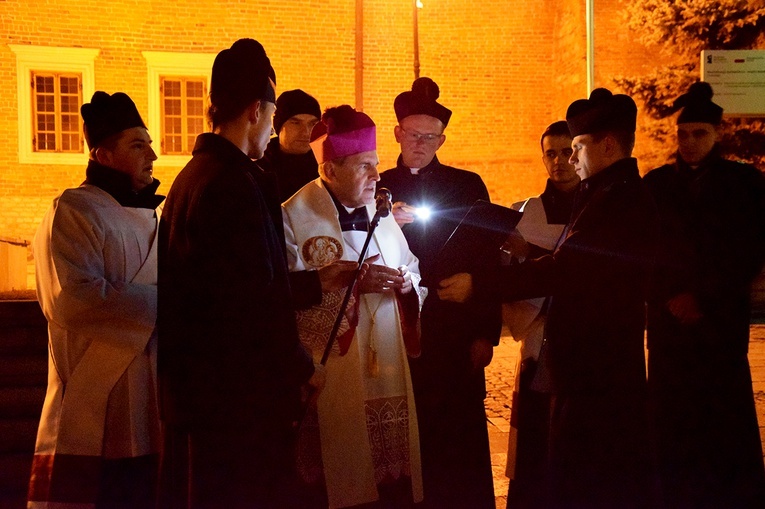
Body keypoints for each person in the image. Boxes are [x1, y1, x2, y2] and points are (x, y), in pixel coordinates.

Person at [439, 88, 660, 508]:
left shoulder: (619, 199)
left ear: (607, 145)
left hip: (598, 371)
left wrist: (479, 284)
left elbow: (567, 268)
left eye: (578, 147)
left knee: (591, 479)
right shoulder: (605, 192)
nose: (572, 159)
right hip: (591, 367)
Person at [157, 39, 323, 509]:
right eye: (273, 117)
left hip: (200, 398)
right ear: (255, 111)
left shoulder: (194, 175)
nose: (272, 131)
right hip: (236, 405)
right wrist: (300, 366)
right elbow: (253, 300)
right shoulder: (233, 184)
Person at [283, 105, 424, 508]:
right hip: (335, 376)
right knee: (339, 478)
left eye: (376, 164)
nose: (377, 176)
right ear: (330, 170)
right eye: (365, 166)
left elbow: (412, 267)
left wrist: (405, 286)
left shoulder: (380, 214)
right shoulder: (292, 217)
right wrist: (353, 287)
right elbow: (288, 303)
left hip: (388, 369)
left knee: (389, 485)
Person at [28, 91, 164, 509]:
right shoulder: (73, 210)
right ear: (103, 155)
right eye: (137, 145)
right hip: (95, 397)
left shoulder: (151, 215)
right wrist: (165, 306)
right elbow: (72, 299)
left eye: (150, 143)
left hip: (148, 394)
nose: (153, 155)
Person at [377, 77, 501, 509]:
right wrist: (385, 222)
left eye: (431, 137)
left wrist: (486, 330)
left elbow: (488, 260)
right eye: (414, 135)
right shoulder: (377, 186)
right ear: (398, 133)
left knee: (458, 440)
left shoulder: (468, 186)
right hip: (398, 332)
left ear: (442, 139)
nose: (422, 144)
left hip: (454, 330)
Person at [644, 81, 765, 508]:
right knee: (672, 422)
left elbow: (748, 250)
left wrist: (704, 297)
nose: (690, 142)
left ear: (717, 135)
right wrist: (672, 295)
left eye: (699, 134)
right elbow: (644, 250)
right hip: (668, 324)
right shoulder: (655, 185)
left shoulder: (745, 184)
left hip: (719, 325)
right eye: (683, 134)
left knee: (723, 419)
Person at [502, 120, 579, 508]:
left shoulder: (595, 209)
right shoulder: (527, 212)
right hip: (537, 337)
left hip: (583, 340)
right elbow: (510, 274)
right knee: (534, 443)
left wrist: (529, 254)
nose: (560, 162)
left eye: (567, 152)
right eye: (551, 153)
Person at [259, 89, 322, 201]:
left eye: (313, 124)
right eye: (296, 123)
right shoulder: (259, 169)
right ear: (279, 126)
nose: (306, 132)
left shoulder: (325, 170)